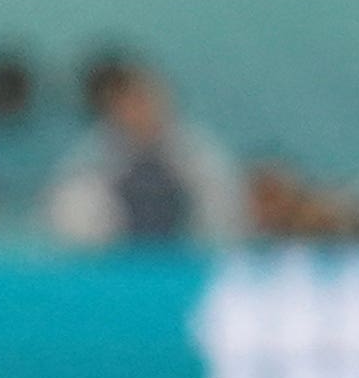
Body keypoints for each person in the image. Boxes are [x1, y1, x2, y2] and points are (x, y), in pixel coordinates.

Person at [44, 59, 244, 248]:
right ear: (114, 109)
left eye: (146, 100)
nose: (140, 111)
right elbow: (67, 225)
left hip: (186, 263)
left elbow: (225, 211)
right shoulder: (89, 160)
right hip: (112, 266)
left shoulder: (198, 152)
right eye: (130, 103)